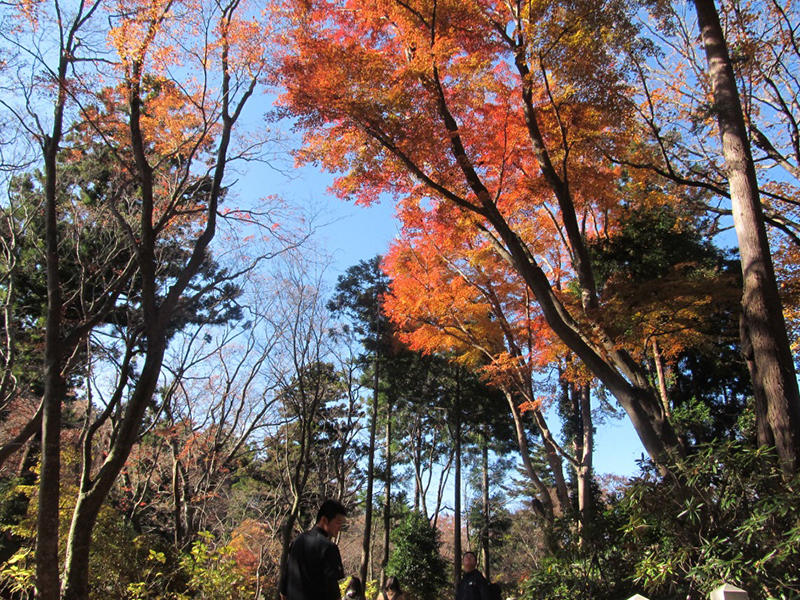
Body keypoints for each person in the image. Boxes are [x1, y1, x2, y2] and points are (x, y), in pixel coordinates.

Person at [279, 499, 348, 600]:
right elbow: (332, 589)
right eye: (338, 522)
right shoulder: (329, 547)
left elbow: (284, 585)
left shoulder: (297, 540)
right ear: (324, 520)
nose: (340, 527)